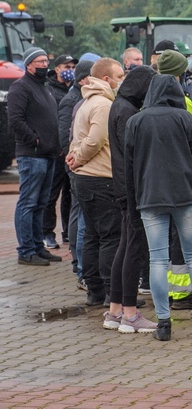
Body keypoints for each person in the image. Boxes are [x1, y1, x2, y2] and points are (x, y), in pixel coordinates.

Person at [125, 72, 192, 342]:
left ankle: (163, 322)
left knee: (157, 260)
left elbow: (129, 170)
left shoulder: (135, 121)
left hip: (150, 197)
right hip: (185, 195)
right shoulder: (184, 118)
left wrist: (132, 207)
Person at [68, 58, 125, 305]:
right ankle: (112, 294)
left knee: (92, 236)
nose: (122, 81)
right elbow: (95, 140)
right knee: (110, 237)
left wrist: (75, 159)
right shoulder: (103, 105)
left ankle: (95, 290)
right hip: (101, 179)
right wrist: (78, 158)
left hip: (86, 180)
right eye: (120, 76)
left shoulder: (88, 101)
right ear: (106, 79)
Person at [105, 66, 156, 334]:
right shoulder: (126, 112)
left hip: (123, 186)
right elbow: (133, 153)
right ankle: (130, 313)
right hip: (131, 188)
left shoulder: (119, 105)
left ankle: (115, 310)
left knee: (125, 247)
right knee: (133, 249)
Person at [8, 47, 62, 266]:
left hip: (48, 155)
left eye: (45, 61)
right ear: (29, 64)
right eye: (38, 61)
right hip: (32, 155)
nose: (43, 65)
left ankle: (38, 247)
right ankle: (26, 250)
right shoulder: (20, 88)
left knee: (41, 203)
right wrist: (35, 140)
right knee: (28, 203)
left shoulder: (44, 87)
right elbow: (16, 120)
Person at [59, 59, 94, 281]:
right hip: (77, 165)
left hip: (80, 163)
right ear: (84, 79)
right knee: (79, 215)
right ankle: (78, 262)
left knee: (80, 214)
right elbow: (65, 137)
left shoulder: (80, 99)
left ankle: (80, 263)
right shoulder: (71, 101)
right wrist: (74, 160)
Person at [43, 54, 76, 249]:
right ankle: (47, 232)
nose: (70, 69)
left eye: (73, 66)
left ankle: (67, 231)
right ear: (57, 69)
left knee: (70, 194)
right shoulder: (49, 90)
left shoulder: (72, 90)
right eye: (67, 66)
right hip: (56, 152)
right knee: (51, 194)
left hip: (70, 151)